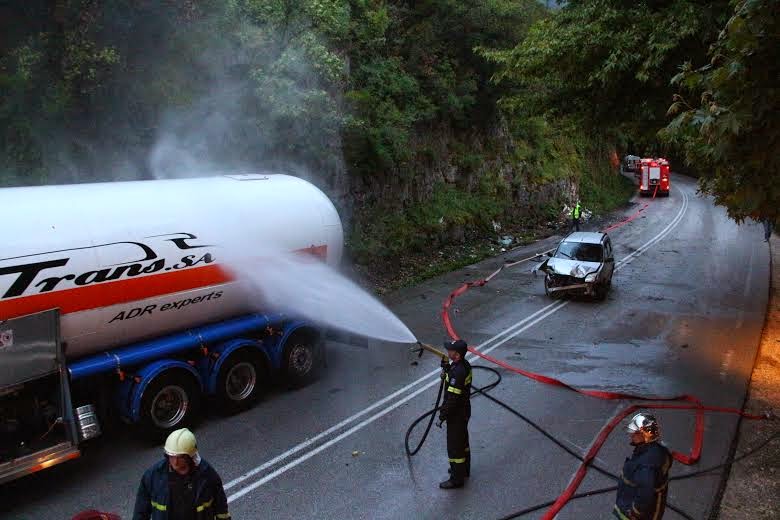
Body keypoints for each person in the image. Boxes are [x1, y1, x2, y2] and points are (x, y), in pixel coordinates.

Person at [133, 428, 230, 520]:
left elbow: (221, 510)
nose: (175, 462)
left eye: (180, 457)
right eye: (171, 456)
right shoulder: (153, 476)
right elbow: (140, 512)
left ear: (190, 456)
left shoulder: (207, 476)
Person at [613, 413, 673, 520]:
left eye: (635, 433)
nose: (631, 435)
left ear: (645, 435)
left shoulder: (646, 465)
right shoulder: (656, 450)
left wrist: (635, 512)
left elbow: (645, 493)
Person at [438, 339, 472, 489]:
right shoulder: (462, 365)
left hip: (456, 414)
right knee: (463, 442)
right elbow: (451, 379)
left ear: (457, 355)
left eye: (450, 350)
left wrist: (442, 415)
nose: (448, 351)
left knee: (454, 446)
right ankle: (464, 470)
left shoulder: (458, 372)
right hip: (463, 410)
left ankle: (456, 479)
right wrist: (446, 371)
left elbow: (452, 398)